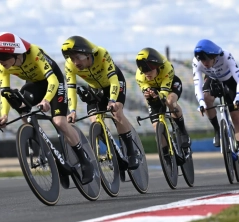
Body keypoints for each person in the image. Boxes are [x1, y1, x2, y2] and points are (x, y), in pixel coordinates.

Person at [0, 32, 94, 184]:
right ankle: (52, 157)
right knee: (20, 104)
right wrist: (3, 115)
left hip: (54, 83)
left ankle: (85, 161)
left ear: (17, 53)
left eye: (3, 56)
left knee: (59, 122)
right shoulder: (3, 66)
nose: (1, 60)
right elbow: (4, 92)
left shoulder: (34, 53)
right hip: (35, 85)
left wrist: (46, 100)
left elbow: (53, 81)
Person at [61, 35, 139, 170]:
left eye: (77, 58)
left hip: (113, 83)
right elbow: (71, 89)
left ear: (87, 54)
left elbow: (114, 81)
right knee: (95, 120)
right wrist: (72, 110)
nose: (75, 62)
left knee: (117, 113)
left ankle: (132, 153)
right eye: (72, 59)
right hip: (95, 88)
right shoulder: (70, 65)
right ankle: (113, 151)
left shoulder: (101, 54)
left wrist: (113, 100)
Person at [192, 39, 239, 174]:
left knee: (236, 118)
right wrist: (201, 102)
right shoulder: (197, 62)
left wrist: (238, 97)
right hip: (212, 79)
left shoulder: (226, 56)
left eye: (206, 60)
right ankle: (217, 130)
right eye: (202, 61)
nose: (204, 64)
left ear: (214, 56)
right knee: (206, 98)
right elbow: (197, 84)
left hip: (230, 81)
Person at [135, 47, 191, 151]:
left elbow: (164, 93)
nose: (147, 73)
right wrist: (148, 94)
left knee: (170, 102)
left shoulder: (167, 67)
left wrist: (159, 94)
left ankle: (183, 132)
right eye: (144, 70)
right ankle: (166, 155)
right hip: (154, 90)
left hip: (170, 85)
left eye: (150, 70)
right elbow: (148, 94)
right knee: (156, 126)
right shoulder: (139, 76)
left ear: (157, 66)